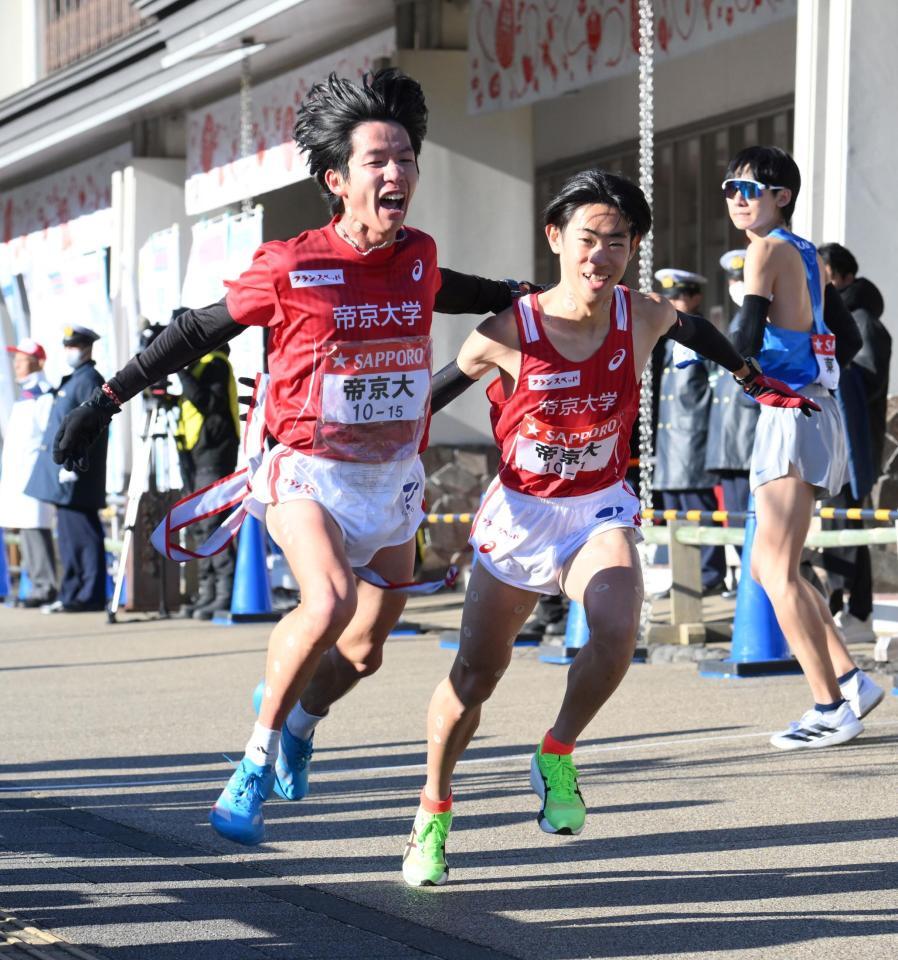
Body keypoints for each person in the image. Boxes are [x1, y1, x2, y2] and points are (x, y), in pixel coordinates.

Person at [51, 68, 538, 847]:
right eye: (378, 160)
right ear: (335, 179)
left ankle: (303, 719)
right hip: (306, 470)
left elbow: (436, 285)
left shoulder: (418, 254)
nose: (397, 173)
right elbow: (198, 329)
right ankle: (252, 763)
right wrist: (101, 400)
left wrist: (519, 294)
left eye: (407, 157)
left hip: (392, 480)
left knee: (366, 649)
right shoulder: (290, 265)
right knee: (329, 600)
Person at [400, 167, 821, 887]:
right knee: (476, 675)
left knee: (619, 629)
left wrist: (754, 380)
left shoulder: (642, 315)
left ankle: (556, 753)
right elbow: (434, 394)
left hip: (597, 505)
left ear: (632, 251)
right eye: (588, 239)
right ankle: (433, 809)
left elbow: (697, 330)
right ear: (556, 239)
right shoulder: (508, 330)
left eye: (618, 243)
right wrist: (377, 453)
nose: (601, 256)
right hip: (523, 513)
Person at [722, 146, 884, 749]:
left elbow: (742, 334)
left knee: (777, 571)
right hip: (813, 407)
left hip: (791, 413)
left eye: (750, 189)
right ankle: (848, 679)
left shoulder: (764, 250)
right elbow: (841, 336)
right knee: (772, 567)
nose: (738, 199)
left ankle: (830, 706)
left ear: (780, 196)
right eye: (729, 188)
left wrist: (741, 368)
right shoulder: (808, 253)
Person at [816, 242, 891, 642]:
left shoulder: (861, 320)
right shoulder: (834, 317)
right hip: (833, 445)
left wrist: (828, 365)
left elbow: (868, 380)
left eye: (822, 270)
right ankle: (844, 609)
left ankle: (857, 612)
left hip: (852, 446)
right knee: (836, 526)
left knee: (850, 528)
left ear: (840, 275)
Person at [652, 268, 726, 596]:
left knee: (700, 508)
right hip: (670, 444)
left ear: (695, 297)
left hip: (694, 440)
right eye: (669, 296)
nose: (674, 302)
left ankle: (710, 575)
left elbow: (715, 394)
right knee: (675, 512)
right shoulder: (665, 338)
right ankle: (684, 578)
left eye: (681, 295)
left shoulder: (703, 336)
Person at [26, 325, 108, 613]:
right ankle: (73, 592)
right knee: (71, 538)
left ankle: (88, 595)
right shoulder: (76, 379)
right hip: (68, 473)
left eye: (74, 346)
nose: (70, 351)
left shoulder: (89, 380)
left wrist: (77, 464)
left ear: (87, 348)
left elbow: (93, 426)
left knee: (83, 537)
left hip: (78, 474)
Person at [172, 323, 241, 619]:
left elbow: (207, 403)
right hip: (195, 456)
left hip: (214, 455)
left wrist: (180, 371)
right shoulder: (200, 366)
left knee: (213, 523)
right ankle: (207, 590)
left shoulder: (215, 364)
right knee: (199, 525)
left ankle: (224, 591)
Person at [704, 250, 760, 575]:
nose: (737, 285)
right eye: (734, 279)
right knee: (737, 519)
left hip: (747, 438)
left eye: (743, 278)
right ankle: (749, 586)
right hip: (731, 439)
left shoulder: (759, 319)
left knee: (750, 521)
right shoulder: (736, 320)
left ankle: (756, 589)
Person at [0, 338, 56, 606]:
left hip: (34, 475)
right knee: (25, 530)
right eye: (16, 360)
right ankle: (35, 584)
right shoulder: (25, 395)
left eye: (22, 361)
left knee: (36, 529)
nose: (17, 365)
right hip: (18, 476)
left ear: (37, 363)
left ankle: (45, 585)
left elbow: (47, 436)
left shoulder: (44, 394)